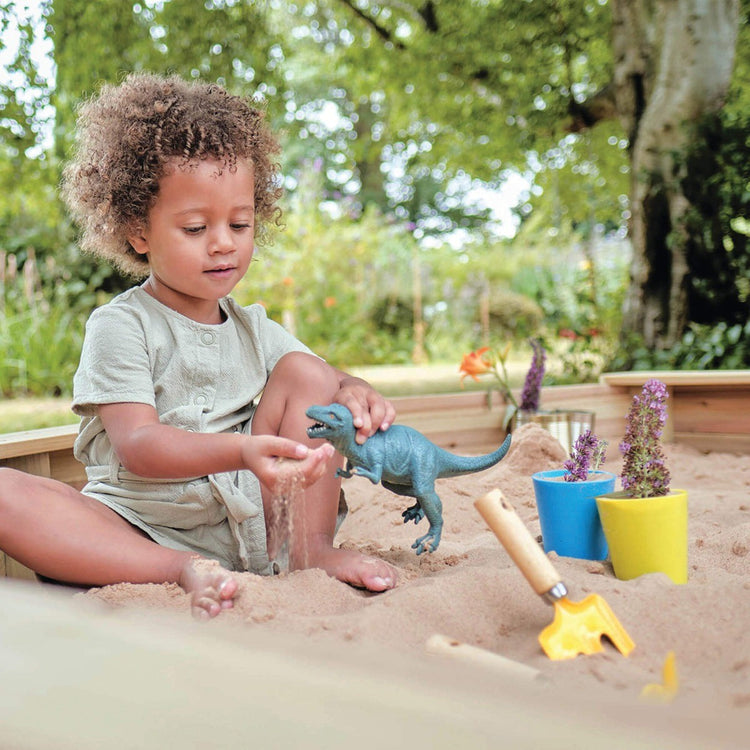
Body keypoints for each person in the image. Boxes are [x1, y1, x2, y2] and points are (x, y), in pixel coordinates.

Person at [0, 73, 398, 618]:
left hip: (255, 528)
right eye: (195, 228)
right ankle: (179, 569)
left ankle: (310, 552)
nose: (223, 244)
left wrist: (357, 391)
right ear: (138, 231)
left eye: (240, 223)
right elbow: (139, 444)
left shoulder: (253, 327)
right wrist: (241, 452)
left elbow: (326, 380)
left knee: (308, 372)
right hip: (139, 530)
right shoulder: (121, 326)